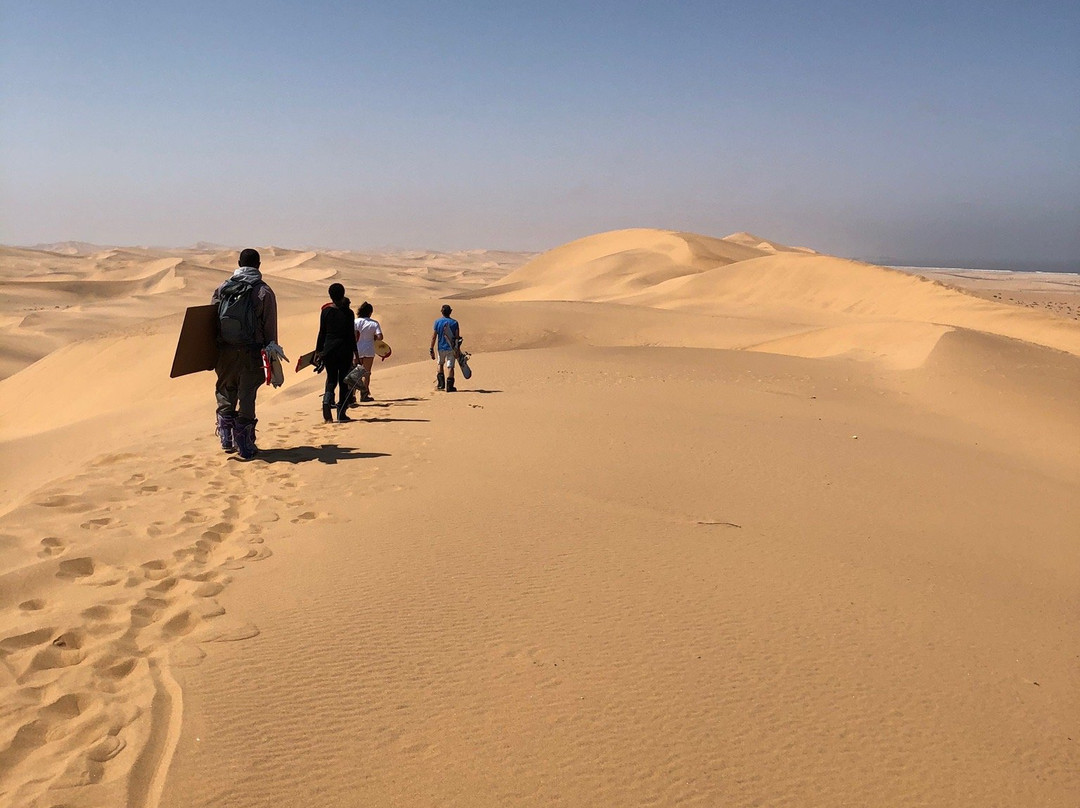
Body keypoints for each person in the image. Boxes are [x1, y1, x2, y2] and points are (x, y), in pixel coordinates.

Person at [212, 248, 282, 460]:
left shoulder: (223, 287)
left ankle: (226, 438)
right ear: (259, 265)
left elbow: (210, 318)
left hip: (224, 351)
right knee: (247, 393)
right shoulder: (263, 291)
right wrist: (272, 353)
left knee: (225, 388)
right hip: (251, 351)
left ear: (238, 262)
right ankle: (245, 444)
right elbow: (270, 326)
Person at [316, 283, 360, 423]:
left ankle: (326, 403)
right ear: (343, 293)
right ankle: (341, 413)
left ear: (330, 295)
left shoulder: (326, 312)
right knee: (343, 382)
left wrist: (318, 351)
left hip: (329, 350)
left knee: (331, 379)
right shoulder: (349, 313)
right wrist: (356, 354)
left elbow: (321, 332)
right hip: (345, 350)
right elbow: (351, 336)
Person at [353, 301, 383, 402]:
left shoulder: (355, 322)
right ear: (370, 312)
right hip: (369, 349)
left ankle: (352, 395)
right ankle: (364, 394)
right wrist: (373, 336)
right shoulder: (374, 323)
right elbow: (380, 337)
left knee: (355, 373)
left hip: (356, 349)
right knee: (366, 373)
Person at [429, 304, 460, 392]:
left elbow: (434, 337)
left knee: (440, 364)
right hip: (451, 348)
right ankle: (450, 387)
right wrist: (457, 349)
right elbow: (457, 337)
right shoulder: (455, 323)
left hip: (441, 347)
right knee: (450, 366)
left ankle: (441, 385)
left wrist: (431, 348)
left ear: (442, 312)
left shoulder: (437, 322)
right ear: (450, 312)